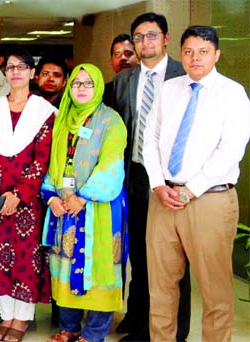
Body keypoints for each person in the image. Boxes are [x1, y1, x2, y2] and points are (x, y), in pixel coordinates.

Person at [143, 25, 250, 342]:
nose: (195, 57)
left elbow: (231, 150)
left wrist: (191, 190)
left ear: (216, 54)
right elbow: (150, 139)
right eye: (188, 51)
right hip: (163, 198)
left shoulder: (232, 94)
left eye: (203, 51)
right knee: (160, 288)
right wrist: (157, 184)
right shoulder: (169, 89)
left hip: (209, 200)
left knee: (215, 290)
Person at [103, 12, 191, 341]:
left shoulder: (184, 74)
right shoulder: (125, 80)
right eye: (138, 37)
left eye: (151, 36)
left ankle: (174, 332)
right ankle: (139, 320)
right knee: (139, 252)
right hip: (135, 175)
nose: (144, 43)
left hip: (173, 179)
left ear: (166, 38)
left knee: (174, 261)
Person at [42, 64, 128, 342]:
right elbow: (52, 162)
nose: (81, 89)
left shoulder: (110, 120)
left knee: (99, 264)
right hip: (63, 207)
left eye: (88, 84)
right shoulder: (62, 119)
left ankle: (94, 333)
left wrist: (83, 197)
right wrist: (52, 195)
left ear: (98, 88)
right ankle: (69, 327)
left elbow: (112, 163)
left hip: (98, 207)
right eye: (76, 83)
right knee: (65, 263)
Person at [0, 47, 54, 342]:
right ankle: (5, 315)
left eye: (23, 67)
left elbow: (42, 159)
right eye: (11, 67)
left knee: (25, 259)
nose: (16, 72)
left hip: (27, 202)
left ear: (33, 73)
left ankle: (21, 320)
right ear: (5, 72)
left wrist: (18, 195)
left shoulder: (44, 111)